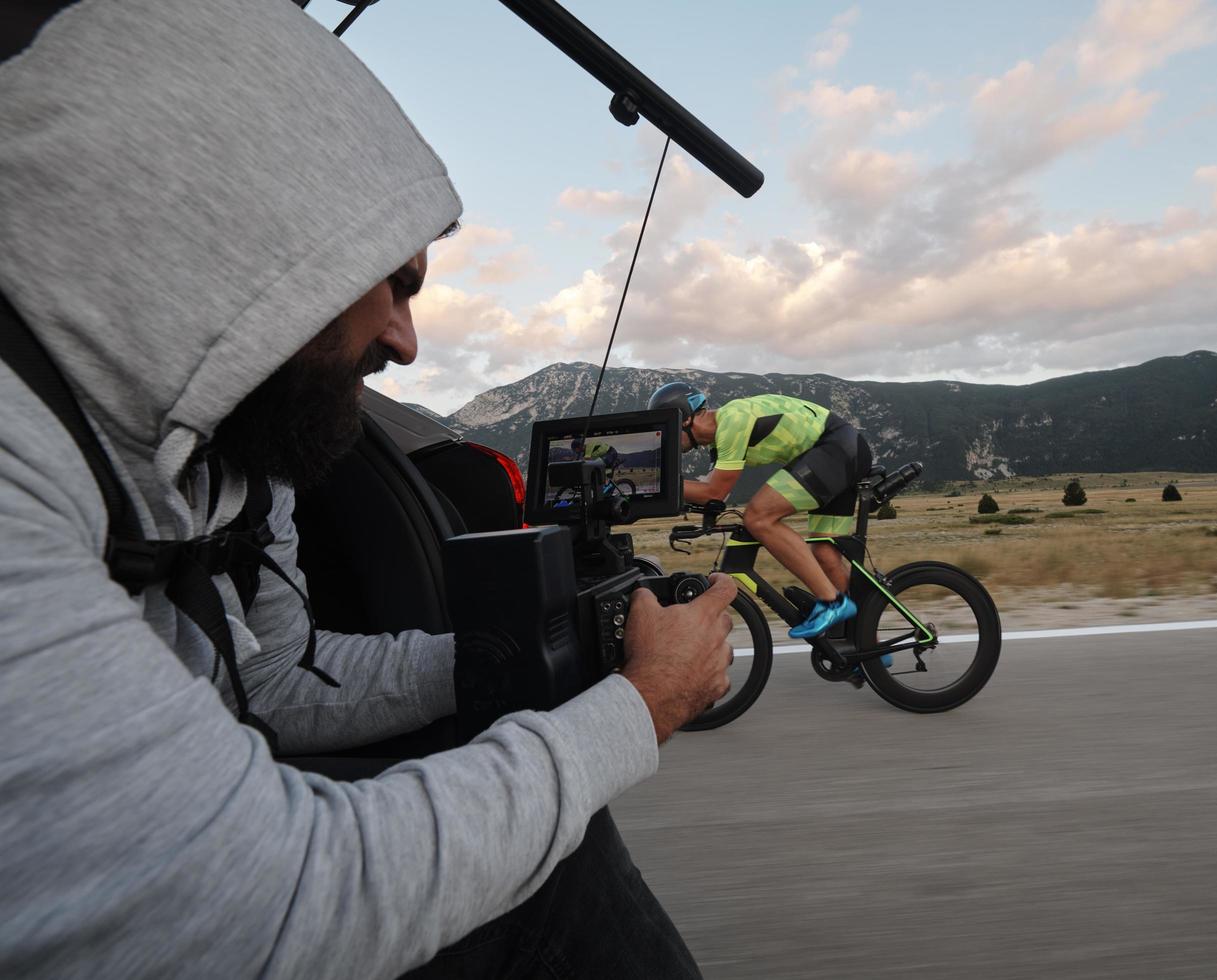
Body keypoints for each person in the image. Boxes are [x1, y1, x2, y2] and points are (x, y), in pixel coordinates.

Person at [0, 2, 735, 978]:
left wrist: (514, 656)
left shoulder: (223, 465)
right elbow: (265, 900)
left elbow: (272, 682)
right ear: (253, 242)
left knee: (544, 838)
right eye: (393, 279)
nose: (405, 340)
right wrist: (640, 705)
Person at [648, 382, 874, 639]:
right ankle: (865, 644)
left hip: (834, 448)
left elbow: (713, 492)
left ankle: (832, 603)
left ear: (685, 419)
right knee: (825, 554)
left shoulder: (732, 422)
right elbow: (712, 496)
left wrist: (659, 483)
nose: (668, 439)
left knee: (759, 517)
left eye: (669, 430)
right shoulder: (720, 441)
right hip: (843, 449)